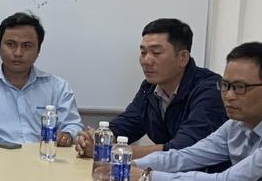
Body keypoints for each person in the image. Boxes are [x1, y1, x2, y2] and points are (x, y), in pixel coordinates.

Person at [124, 42, 262, 181]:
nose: (229, 96)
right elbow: (185, 157)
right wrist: (133, 165)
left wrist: (147, 177)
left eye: (240, 87)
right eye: (225, 85)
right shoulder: (235, 125)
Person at [75, 18, 226, 161]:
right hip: (167, 174)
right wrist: (96, 139)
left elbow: (183, 149)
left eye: (156, 53)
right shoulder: (150, 88)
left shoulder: (210, 90)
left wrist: (112, 151)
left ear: (183, 58)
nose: (146, 61)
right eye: (143, 53)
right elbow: (127, 124)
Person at [0, 11, 83, 145]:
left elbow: (73, 126)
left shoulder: (58, 88)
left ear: (38, 50)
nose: (18, 53)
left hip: (44, 156)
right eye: (10, 44)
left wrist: (67, 136)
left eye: (26, 46)